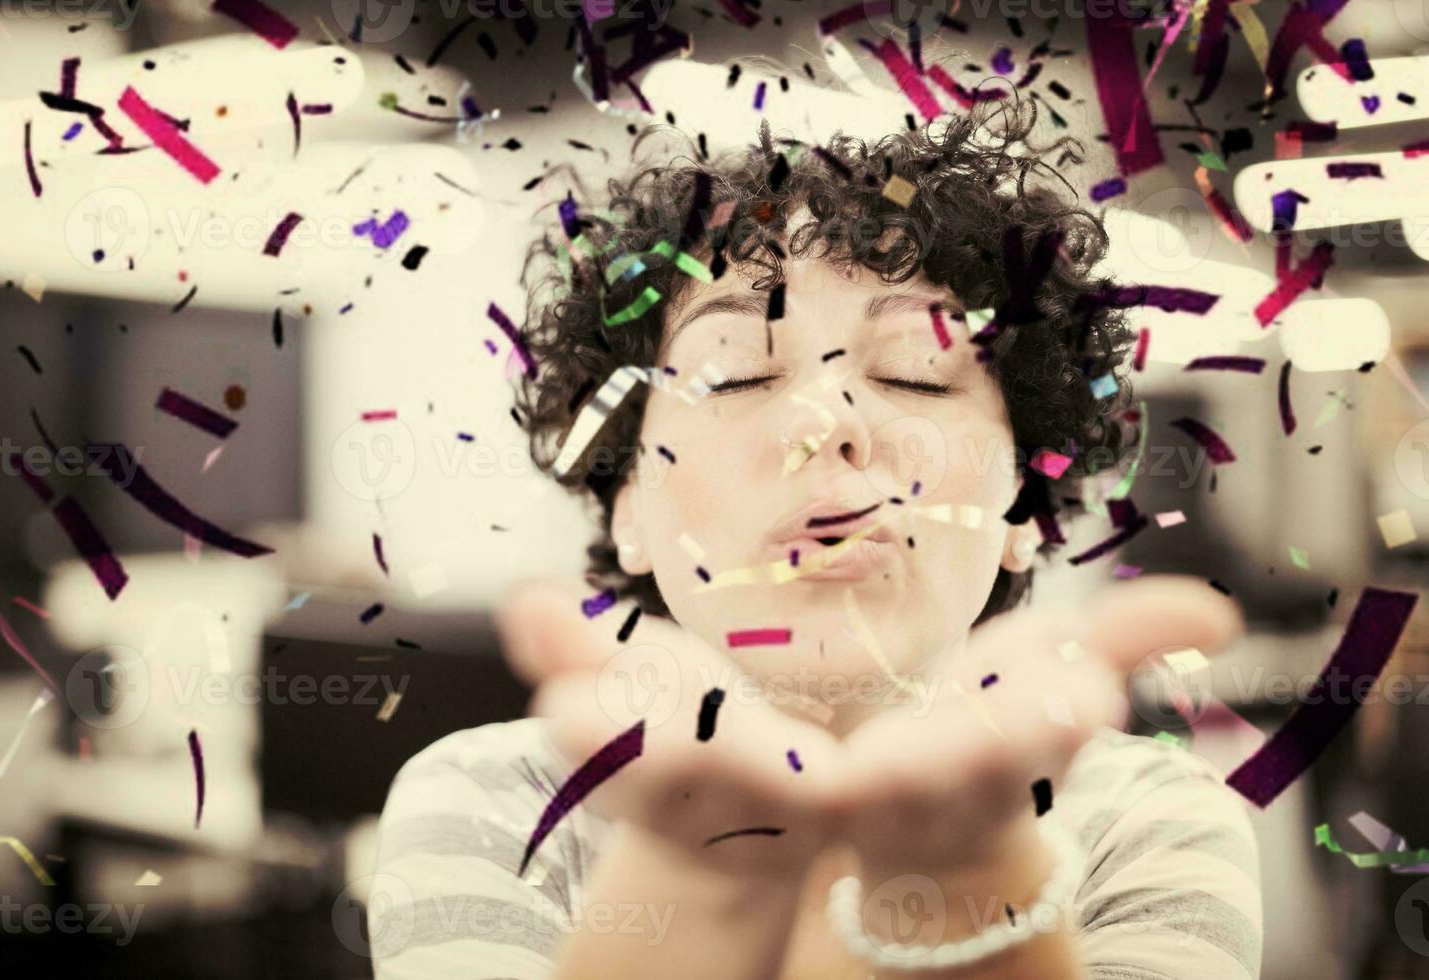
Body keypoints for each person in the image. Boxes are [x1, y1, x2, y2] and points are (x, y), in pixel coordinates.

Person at [369, 97, 1263, 979]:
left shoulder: (1147, 817)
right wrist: (700, 878)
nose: (827, 419)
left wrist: (966, 881)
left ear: (1025, 508)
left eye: (918, 374)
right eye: (734, 374)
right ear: (626, 504)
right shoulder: (501, 801)